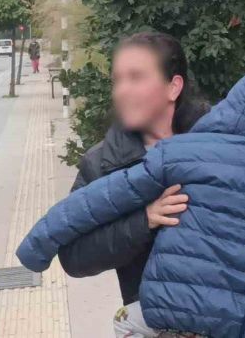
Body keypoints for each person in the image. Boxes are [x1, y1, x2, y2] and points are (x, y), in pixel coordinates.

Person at [17, 65, 245, 338]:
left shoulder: (181, 153)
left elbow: (98, 200)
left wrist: (38, 246)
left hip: (180, 317)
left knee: (125, 320)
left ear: (231, 110)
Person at [57, 32, 210, 326]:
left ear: (173, 87)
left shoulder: (221, 142)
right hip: (157, 323)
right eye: (117, 80)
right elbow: (73, 255)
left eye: (136, 77)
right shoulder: (102, 163)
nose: (122, 91)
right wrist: (143, 221)